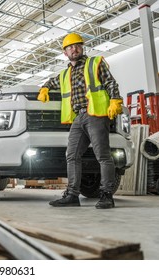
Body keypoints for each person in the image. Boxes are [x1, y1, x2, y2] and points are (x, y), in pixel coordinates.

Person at [37, 33, 123, 209]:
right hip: (78, 118)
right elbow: (53, 81)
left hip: (96, 115)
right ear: (65, 52)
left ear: (82, 47)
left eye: (77, 45)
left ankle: (106, 195)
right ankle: (72, 195)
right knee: (72, 155)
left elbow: (111, 83)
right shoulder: (65, 73)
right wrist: (45, 88)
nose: (73, 49)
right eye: (70, 47)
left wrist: (115, 100)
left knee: (103, 156)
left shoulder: (94, 63)